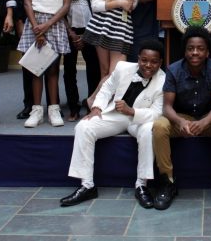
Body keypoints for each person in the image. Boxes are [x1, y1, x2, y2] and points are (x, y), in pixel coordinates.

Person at [60, 39, 166, 208]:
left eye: (154, 62)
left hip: (139, 119)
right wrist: (96, 108)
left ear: (160, 63)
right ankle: (87, 185)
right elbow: (107, 89)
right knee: (83, 126)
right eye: (144, 60)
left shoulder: (163, 81)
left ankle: (141, 185)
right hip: (115, 115)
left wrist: (132, 112)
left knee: (148, 131)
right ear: (138, 58)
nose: (148, 65)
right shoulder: (123, 68)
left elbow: (157, 113)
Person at [152, 26, 211, 210]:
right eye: (190, 48)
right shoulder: (173, 70)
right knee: (159, 126)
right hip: (181, 117)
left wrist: (204, 122)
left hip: (208, 117)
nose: (195, 52)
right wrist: (180, 121)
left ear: (207, 52)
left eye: (200, 48)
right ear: (185, 50)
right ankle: (167, 181)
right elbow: (166, 107)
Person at [83, 0, 164, 107]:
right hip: (102, 23)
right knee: (105, 71)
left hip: (122, 25)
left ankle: (92, 100)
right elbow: (96, 5)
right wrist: (120, 3)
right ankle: (100, 105)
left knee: (115, 71)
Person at [17, 0, 73, 127]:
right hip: (35, 23)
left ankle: (54, 109)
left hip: (55, 23)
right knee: (35, 68)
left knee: (53, 69)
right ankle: (36, 110)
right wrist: (37, 28)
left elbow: (66, 5)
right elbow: (27, 2)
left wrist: (48, 25)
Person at [61, 0, 100, 121]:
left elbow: (97, 10)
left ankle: (92, 103)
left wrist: (87, 35)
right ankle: (73, 106)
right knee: (69, 71)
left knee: (94, 70)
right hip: (70, 32)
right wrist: (72, 34)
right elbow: (60, 12)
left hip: (89, 32)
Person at [11, 0, 44, 120]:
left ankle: (51, 104)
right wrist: (18, 21)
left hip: (48, 20)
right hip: (26, 19)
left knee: (49, 64)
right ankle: (29, 104)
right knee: (29, 63)